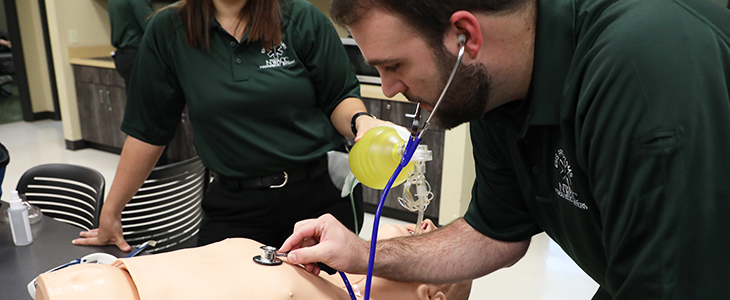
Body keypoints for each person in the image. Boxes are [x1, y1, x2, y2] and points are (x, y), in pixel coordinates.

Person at [279, 0, 730, 299]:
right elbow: (493, 234)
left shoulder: (642, 72)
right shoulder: (495, 89)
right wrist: (362, 252)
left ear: (465, 37)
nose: (388, 89)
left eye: (394, 66)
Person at [74, 0, 392, 253]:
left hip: (319, 195)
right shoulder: (170, 30)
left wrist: (360, 121)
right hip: (235, 201)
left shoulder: (301, 18)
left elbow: (338, 97)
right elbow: (148, 130)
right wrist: (111, 212)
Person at [36, 220, 471, 300]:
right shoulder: (332, 278)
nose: (424, 223)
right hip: (101, 278)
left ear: (429, 294)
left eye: (416, 235)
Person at [108, 0, 154, 88]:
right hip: (137, 56)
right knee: (149, 98)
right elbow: (152, 27)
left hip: (123, 57)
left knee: (134, 97)